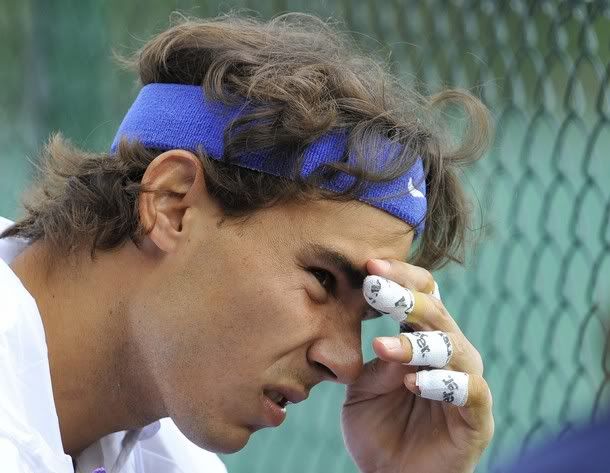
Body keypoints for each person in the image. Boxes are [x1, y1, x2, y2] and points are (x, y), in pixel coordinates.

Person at [0, 12, 495, 473]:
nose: (345, 363)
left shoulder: (173, 459)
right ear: (172, 204)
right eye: (323, 279)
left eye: (366, 316)